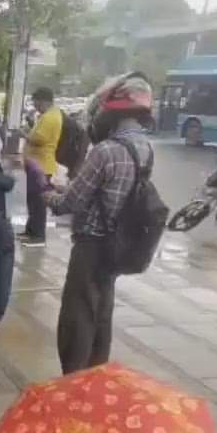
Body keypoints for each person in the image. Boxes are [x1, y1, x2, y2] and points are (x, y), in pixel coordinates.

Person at [43, 72, 156, 375]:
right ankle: (95, 378)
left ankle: (73, 382)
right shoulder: (147, 149)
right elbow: (109, 192)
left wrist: (49, 195)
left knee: (77, 318)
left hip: (91, 247)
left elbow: (71, 203)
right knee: (102, 315)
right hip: (117, 246)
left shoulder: (106, 151)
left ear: (111, 111)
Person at [20, 87, 63, 247]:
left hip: (42, 167)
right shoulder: (47, 115)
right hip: (37, 165)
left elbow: (39, 139)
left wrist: (25, 134)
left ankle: (38, 236)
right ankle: (30, 231)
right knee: (32, 201)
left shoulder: (51, 117)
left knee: (38, 203)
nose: (35, 106)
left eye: (37, 102)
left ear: (44, 101)